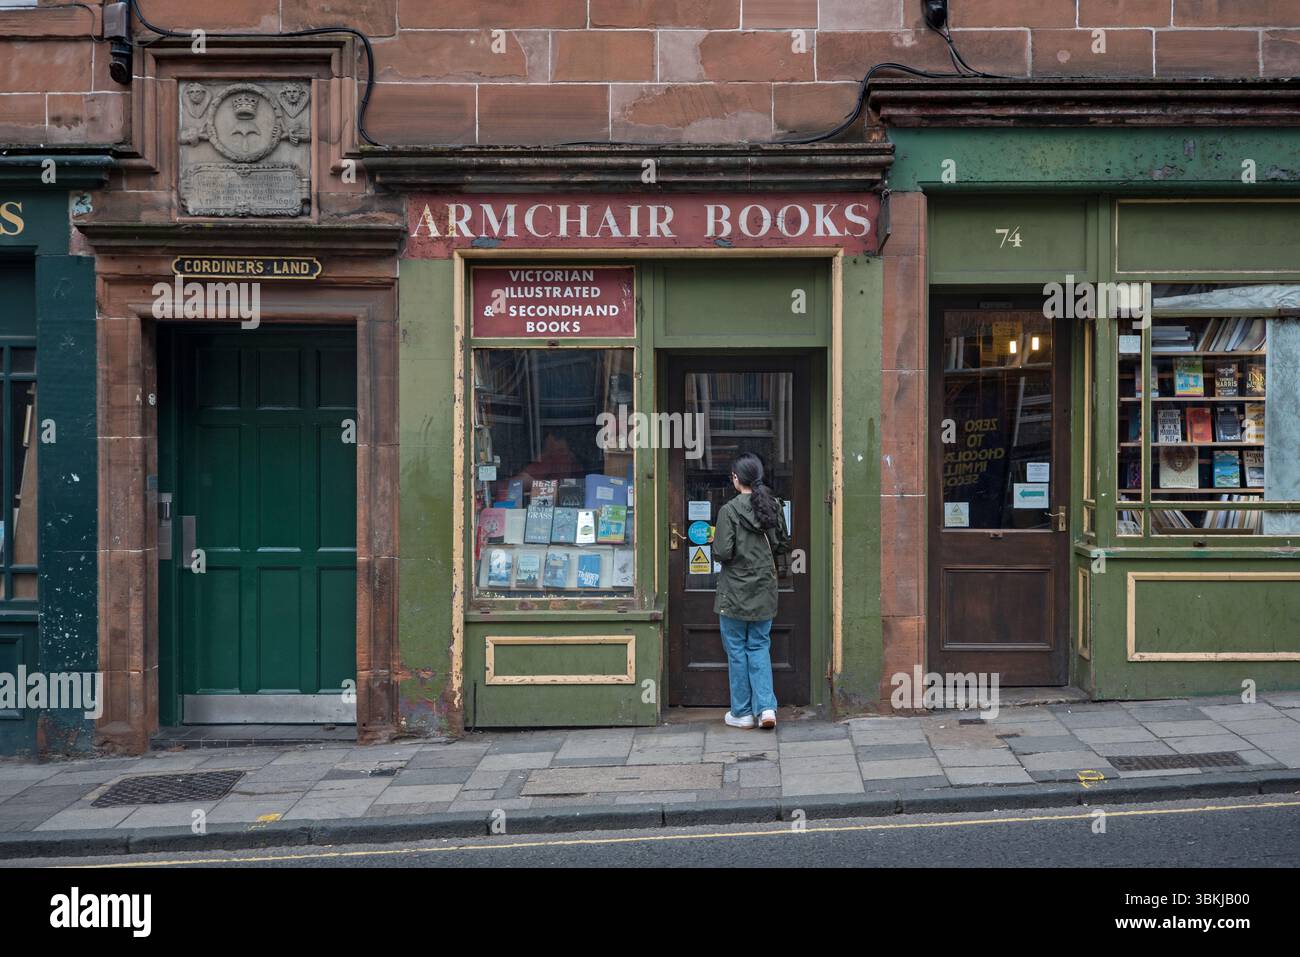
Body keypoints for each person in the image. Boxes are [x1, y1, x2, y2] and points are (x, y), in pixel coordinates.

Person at [712, 452, 790, 731]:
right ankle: (766, 708)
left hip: (734, 592)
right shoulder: (774, 506)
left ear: (735, 479)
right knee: (759, 645)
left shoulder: (729, 511)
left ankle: (743, 712)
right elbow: (782, 545)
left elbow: (722, 551)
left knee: (736, 649)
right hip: (764, 588)